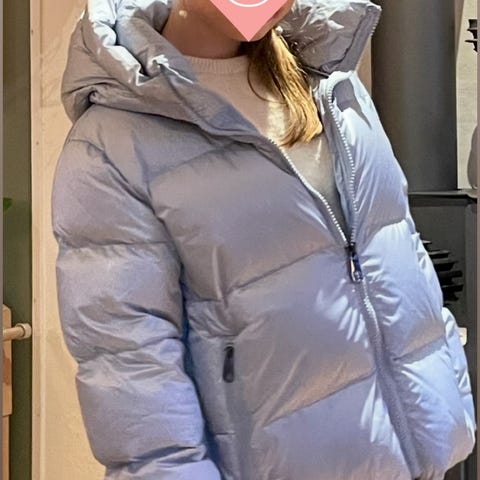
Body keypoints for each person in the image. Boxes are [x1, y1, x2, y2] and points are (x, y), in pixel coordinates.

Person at [51, 0, 476, 479]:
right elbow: (130, 364)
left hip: (420, 456)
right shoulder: (111, 144)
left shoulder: (331, 83)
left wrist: (451, 399)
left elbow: (397, 247)